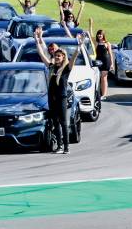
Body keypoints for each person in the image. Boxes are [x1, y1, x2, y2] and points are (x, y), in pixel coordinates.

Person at [35, 26, 81, 154]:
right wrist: (37, 39)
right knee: (55, 122)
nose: (56, 58)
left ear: (63, 57)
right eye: (56, 56)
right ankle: (59, 146)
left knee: (63, 122)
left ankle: (66, 147)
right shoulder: (51, 67)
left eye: (59, 56)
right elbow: (41, 54)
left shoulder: (66, 69)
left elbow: (73, 58)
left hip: (62, 98)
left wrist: (79, 46)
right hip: (52, 98)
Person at [89, 19, 115, 99]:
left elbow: (110, 54)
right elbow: (90, 35)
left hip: (106, 62)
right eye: (98, 34)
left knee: (104, 78)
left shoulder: (107, 43)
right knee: (97, 77)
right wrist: (91, 24)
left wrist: (112, 64)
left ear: (103, 35)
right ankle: (98, 93)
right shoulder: (96, 43)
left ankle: (103, 95)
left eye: (101, 34)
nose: (99, 35)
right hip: (97, 62)